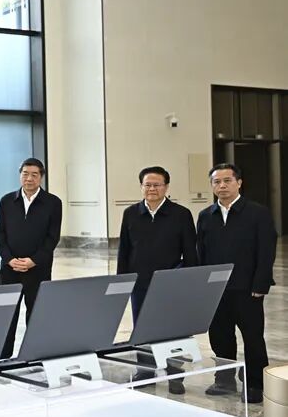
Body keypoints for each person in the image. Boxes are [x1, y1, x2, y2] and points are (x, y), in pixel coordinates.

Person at [197, 163, 276, 404]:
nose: (221, 186)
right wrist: (204, 286)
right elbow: (202, 253)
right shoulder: (206, 216)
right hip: (216, 289)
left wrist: (261, 284)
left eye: (227, 180)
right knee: (220, 337)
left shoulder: (257, 213)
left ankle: (255, 383)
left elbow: (266, 250)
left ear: (239, 183)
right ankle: (224, 380)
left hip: (247, 288)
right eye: (216, 182)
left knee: (253, 338)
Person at [116, 166, 198, 394]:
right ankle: (145, 371)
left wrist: (188, 279)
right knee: (142, 330)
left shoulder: (181, 214)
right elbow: (124, 250)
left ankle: (175, 374)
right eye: (147, 185)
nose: (152, 189)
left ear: (166, 187)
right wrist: (122, 281)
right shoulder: (131, 213)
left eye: (157, 185)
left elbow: (190, 252)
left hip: (170, 284)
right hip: (140, 283)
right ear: (141, 187)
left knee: (173, 330)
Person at [0, 158, 62, 359]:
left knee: (37, 314)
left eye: (34, 174)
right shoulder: (7, 201)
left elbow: (52, 237)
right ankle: (3, 356)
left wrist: (34, 260)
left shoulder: (53, 203)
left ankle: (35, 355)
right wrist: (9, 259)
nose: (29, 178)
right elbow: (0, 234)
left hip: (38, 269)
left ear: (41, 177)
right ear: (20, 175)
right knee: (6, 314)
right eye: (25, 174)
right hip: (9, 269)